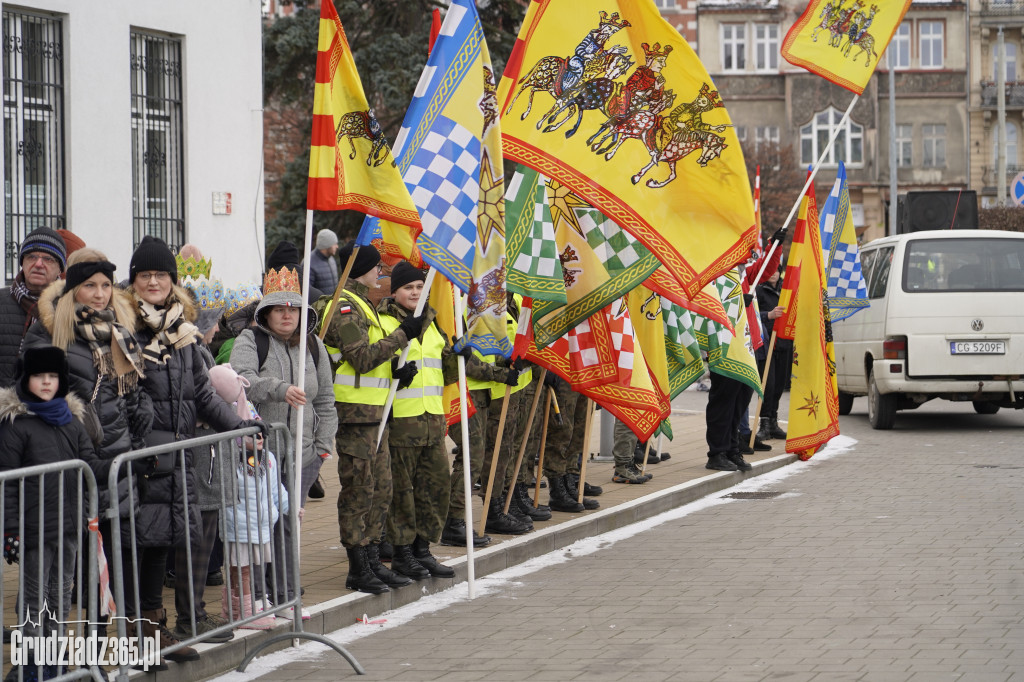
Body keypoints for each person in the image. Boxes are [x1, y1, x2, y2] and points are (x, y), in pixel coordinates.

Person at [127, 236, 266, 659]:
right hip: (143, 458)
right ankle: (136, 633)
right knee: (136, 546)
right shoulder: (124, 328)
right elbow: (129, 396)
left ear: (173, 281)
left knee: (160, 543)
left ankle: (153, 631)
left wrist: (242, 426)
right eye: (145, 275)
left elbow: (203, 395)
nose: (153, 282)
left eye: (161, 275)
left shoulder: (183, 334)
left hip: (178, 458)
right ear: (133, 281)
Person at [230, 267, 337, 617]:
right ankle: (257, 597)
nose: (288, 314)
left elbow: (325, 402)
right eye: (280, 308)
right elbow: (241, 381)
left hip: (303, 456)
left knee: (289, 525)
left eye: (294, 308)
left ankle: (287, 597)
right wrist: (278, 388)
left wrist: (322, 449)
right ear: (266, 314)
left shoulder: (314, 346)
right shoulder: (251, 341)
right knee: (260, 525)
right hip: (260, 456)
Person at [0, 347, 110, 682]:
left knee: (62, 594)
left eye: (52, 377)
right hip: (34, 528)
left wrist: (129, 468)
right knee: (35, 598)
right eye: (38, 376)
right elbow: (6, 483)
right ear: (25, 379)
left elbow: (90, 465)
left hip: (68, 523)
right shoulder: (15, 425)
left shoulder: (71, 421)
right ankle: (31, 664)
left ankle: (56, 660)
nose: (46, 383)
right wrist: (10, 530)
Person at [320, 243, 424, 594]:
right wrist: (403, 335)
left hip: (374, 413)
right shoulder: (346, 307)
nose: (381, 271)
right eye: (375, 266)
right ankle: (357, 567)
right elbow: (361, 359)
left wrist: (397, 371)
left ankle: (372, 560)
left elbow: (372, 363)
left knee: (381, 489)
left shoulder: (367, 305)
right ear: (360, 269)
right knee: (359, 492)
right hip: (355, 415)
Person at [376, 262, 463, 579]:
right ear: (395, 291)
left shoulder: (433, 323)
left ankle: (422, 550)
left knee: (436, 488)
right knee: (404, 494)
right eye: (408, 288)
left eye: (418, 287)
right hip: (402, 423)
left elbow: (445, 372)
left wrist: (458, 356)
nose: (415, 292)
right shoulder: (384, 323)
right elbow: (371, 364)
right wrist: (393, 373)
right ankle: (402, 555)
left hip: (433, 422)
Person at [209, 364, 288, 631]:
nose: (261, 439)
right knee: (238, 569)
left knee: (247, 567)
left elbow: (276, 489)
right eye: (254, 435)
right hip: (238, 525)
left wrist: (289, 507)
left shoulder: (268, 460)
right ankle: (241, 611)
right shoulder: (232, 461)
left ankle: (241, 607)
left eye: (262, 434)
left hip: (259, 524)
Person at [0, 227, 67, 387]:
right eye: (31, 257)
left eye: (48, 259)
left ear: (60, 268)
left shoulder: (69, 308)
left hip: (51, 409)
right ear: (22, 261)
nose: (38, 264)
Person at [756, 264, 791, 442]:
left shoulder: (787, 289)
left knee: (779, 387)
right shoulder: (759, 289)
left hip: (784, 344)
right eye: (770, 271)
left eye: (776, 270)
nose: (774, 274)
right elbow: (752, 313)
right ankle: (764, 424)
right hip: (766, 345)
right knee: (767, 387)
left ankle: (773, 422)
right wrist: (768, 315)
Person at [304, 229, 340, 294]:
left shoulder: (331, 259)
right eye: (334, 244)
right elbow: (307, 292)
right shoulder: (308, 263)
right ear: (327, 245)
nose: (337, 246)